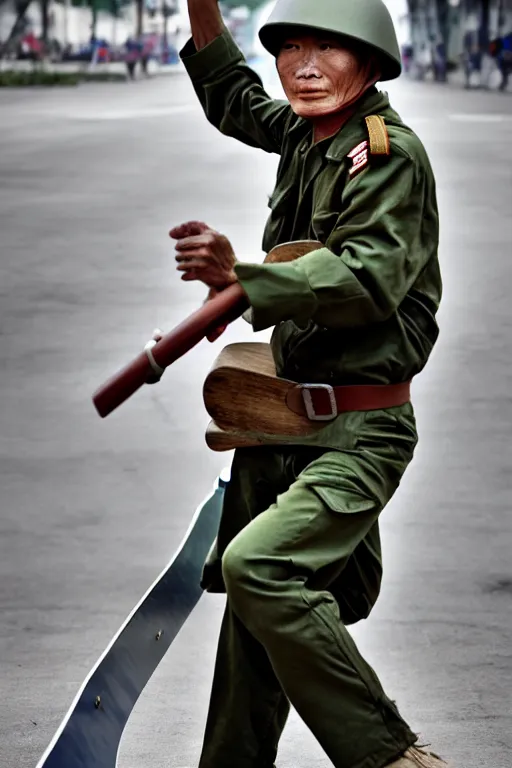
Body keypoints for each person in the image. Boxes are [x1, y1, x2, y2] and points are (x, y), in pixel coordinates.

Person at [170, 0, 447, 766]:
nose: (305, 65)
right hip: (285, 419)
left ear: (369, 61)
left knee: (261, 569)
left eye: (328, 47)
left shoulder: (387, 157)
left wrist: (244, 280)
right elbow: (234, 98)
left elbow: (367, 276)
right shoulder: (306, 133)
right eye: (290, 47)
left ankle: (388, 755)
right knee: (254, 623)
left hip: (361, 428)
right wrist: (201, 6)